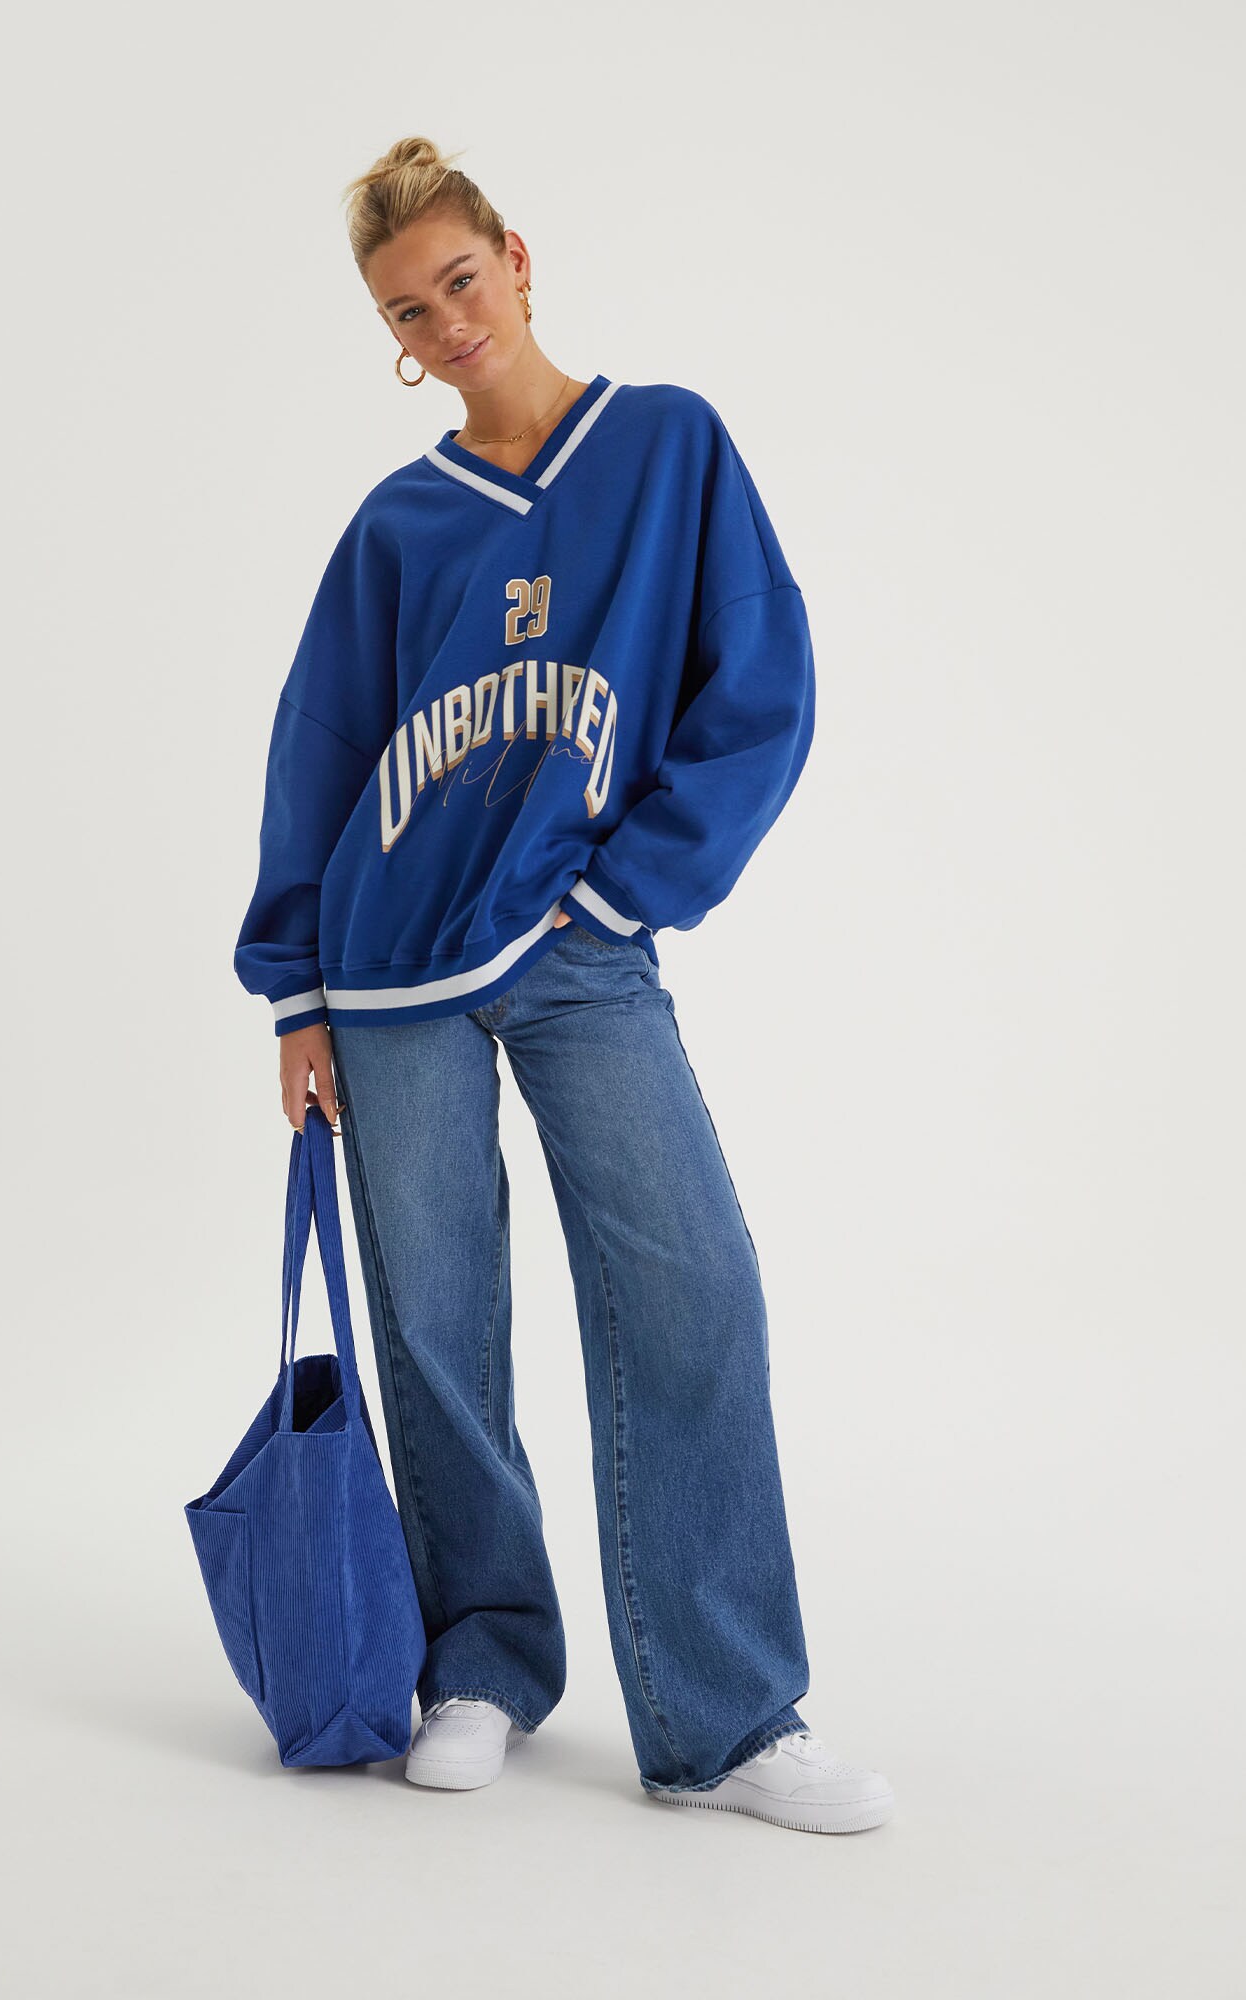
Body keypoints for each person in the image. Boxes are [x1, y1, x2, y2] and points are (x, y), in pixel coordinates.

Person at [232, 134, 894, 1834]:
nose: (445, 323)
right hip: (392, 980)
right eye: (407, 311)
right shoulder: (397, 527)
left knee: (693, 1289)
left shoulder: (667, 447)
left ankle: (727, 1719)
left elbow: (761, 689)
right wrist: (296, 992)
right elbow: (320, 753)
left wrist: (618, 895)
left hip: (579, 950)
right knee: (437, 1325)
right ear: (390, 336)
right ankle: (480, 1663)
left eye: (460, 281)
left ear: (517, 259)